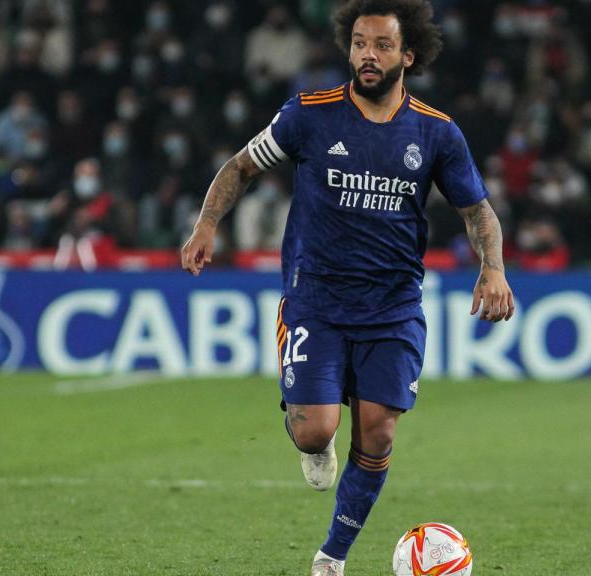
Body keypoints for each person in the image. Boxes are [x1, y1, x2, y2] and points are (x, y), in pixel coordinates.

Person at [180, 2, 515, 574]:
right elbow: (240, 166)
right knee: (315, 432)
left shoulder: (437, 131)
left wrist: (494, 267)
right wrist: (207, 223)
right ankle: (310, 422)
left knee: (379, 431)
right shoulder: (309, 114)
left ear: (408, 54)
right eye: (360, 43)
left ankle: (331, 557)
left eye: (383, 45)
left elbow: (477, 211)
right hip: (318, 298)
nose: (368, 54)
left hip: (393, 305)